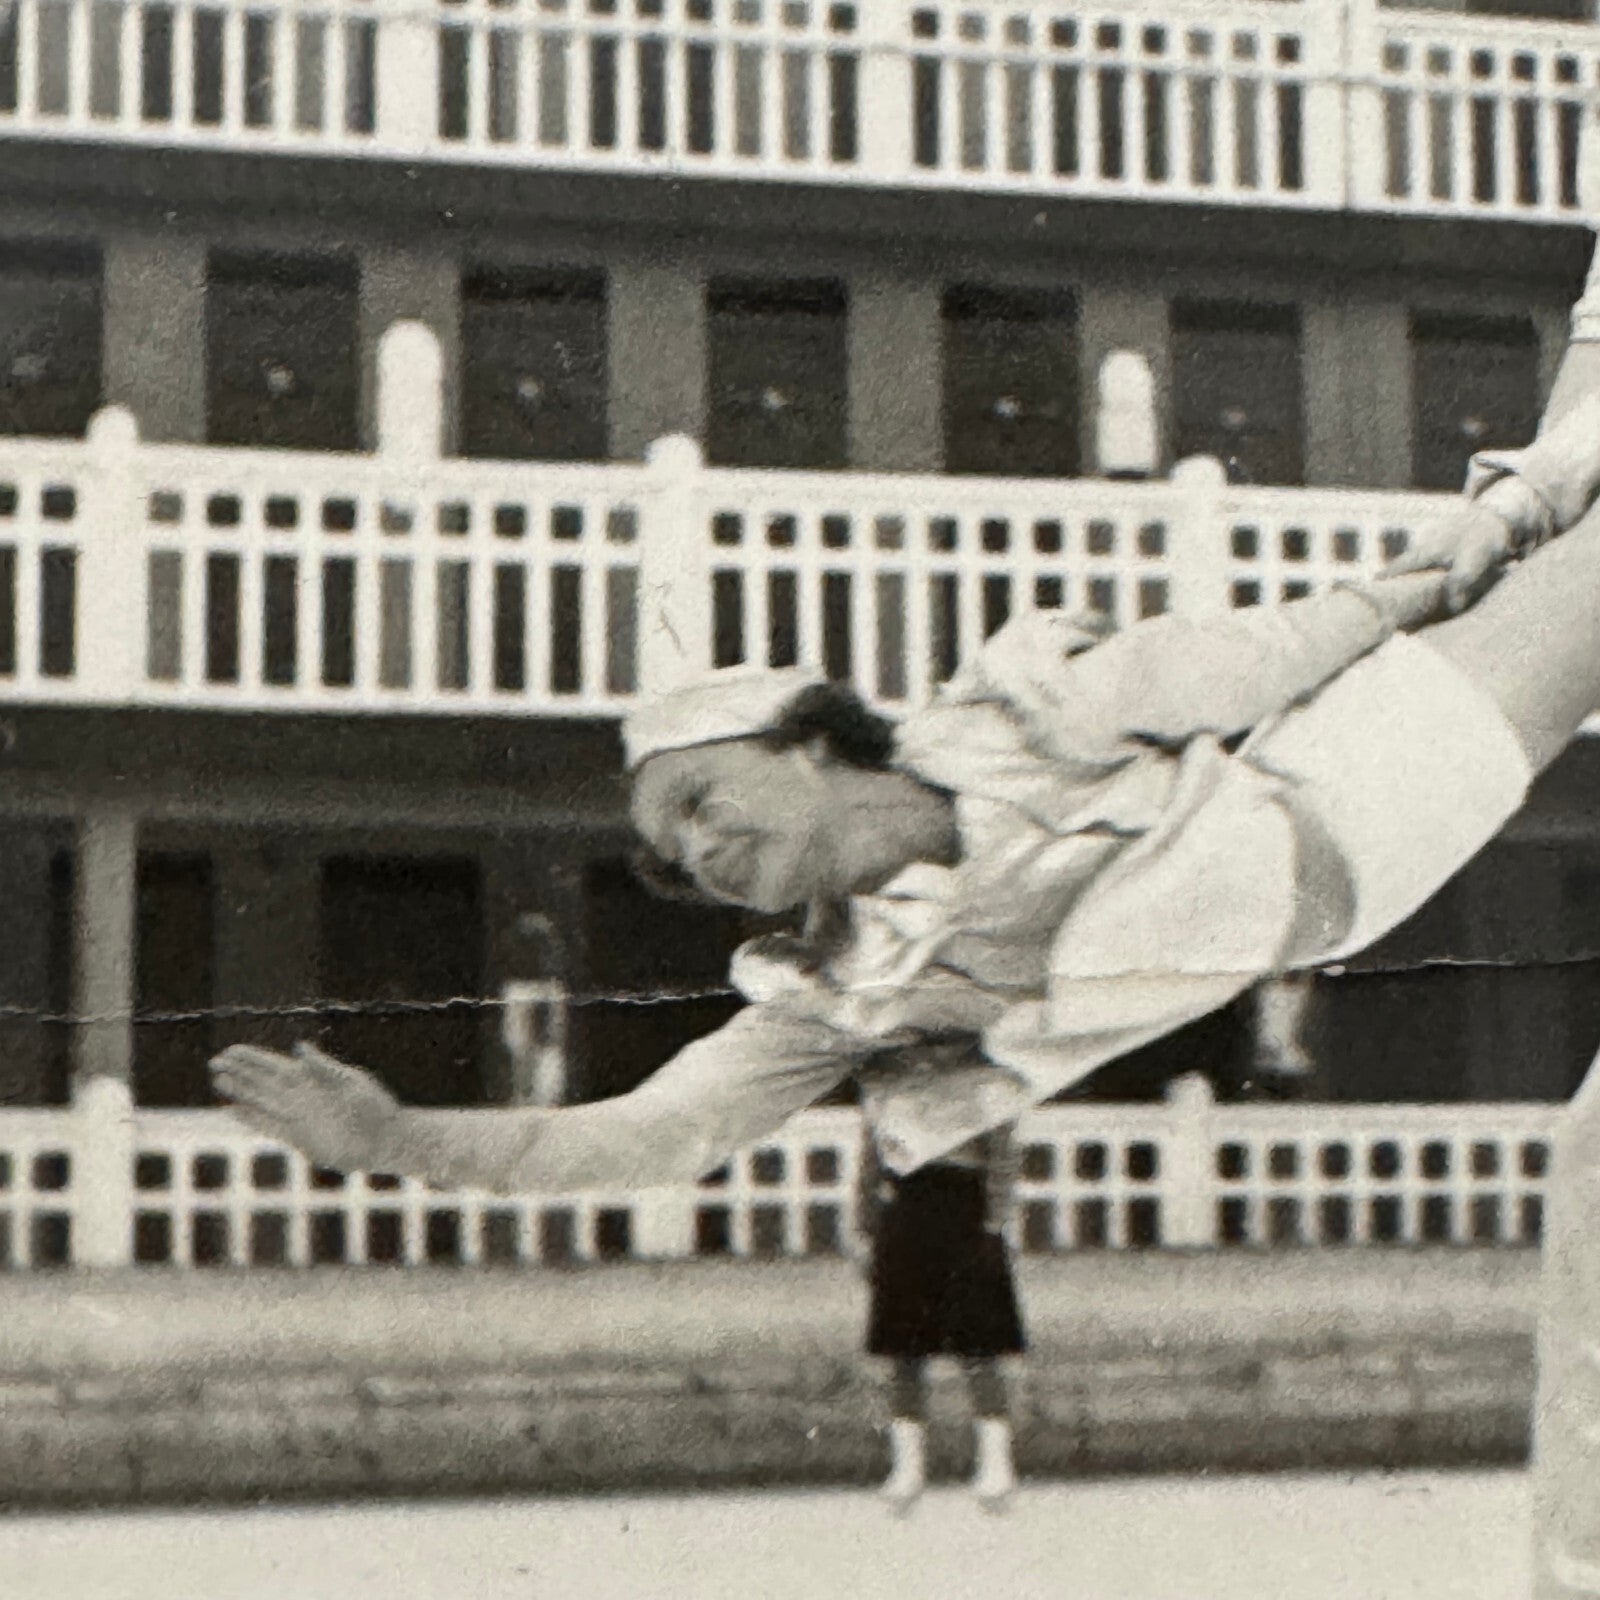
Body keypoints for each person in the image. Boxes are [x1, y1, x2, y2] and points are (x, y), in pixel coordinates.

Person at [212, 287, 1600, 1202]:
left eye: (698, 800)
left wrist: (1465, 555)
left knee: (1578, 495)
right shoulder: (833, 992)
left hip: (1334, 775)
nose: (697, 853)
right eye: (673, 859)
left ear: (806, 740)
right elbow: (645, 1132)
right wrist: (392, 1141)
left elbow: (1260, 657)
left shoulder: (1017, 709)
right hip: (1361, 838)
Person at [851, 1043, 1024, 1514]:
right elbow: (871, 1153)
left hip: (965, 1209)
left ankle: (995, 1467)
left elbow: (1003, 1152)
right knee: (904, 1349)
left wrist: (995, 1222)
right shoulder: (889, 1074)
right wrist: (864, 1227)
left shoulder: (985, 1075)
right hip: (907, 1208)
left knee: (980, 1345)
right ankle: (907, 1470)